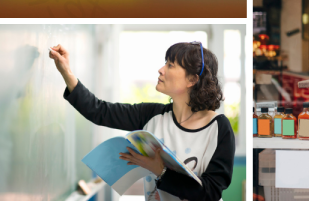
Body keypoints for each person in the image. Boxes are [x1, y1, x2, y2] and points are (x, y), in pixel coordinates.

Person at [48, 41, 235, 201]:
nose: (161, 70)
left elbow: (211, 191)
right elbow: (100, 111)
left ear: (192, 79)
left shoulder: (219, 127)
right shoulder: (151, 115)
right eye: (165, 63)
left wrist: (160, 171)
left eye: (171, 65)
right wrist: (66, 71)